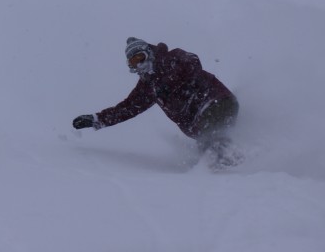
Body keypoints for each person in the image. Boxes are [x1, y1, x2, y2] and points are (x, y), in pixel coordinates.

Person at [72, 37, 241, 168]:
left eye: (140, 57)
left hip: (216, 102)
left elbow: (193, 61)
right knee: (207, 146)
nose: (139, 64)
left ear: (149, 53)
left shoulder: (172, 57)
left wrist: (170, 82)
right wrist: (97, 119)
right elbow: (128, 108)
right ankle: (235, 165)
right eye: (133, 62)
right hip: (198, 126)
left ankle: (230, 165)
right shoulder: (147, 87)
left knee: (212, 138)